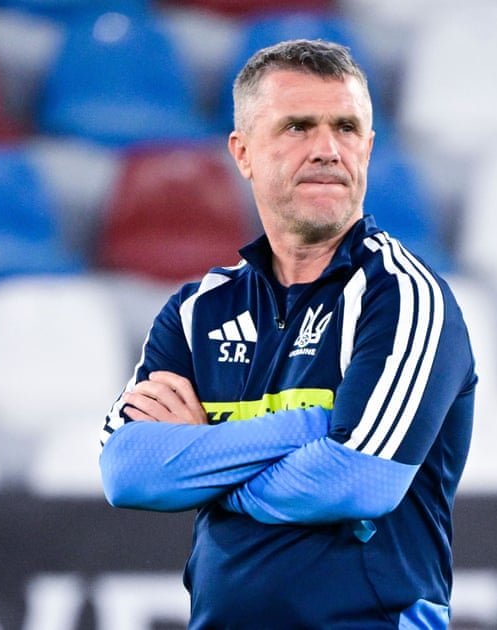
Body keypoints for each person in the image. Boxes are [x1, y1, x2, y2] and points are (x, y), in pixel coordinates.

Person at [98, 39, 476, 629]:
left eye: (346, 128)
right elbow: (127, 470)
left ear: (368, 147)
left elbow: (357, 480)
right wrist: (309, 429)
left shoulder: (402, 295)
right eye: (298, 127)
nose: (327, 149)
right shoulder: (198, 310)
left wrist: (207, 466)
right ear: (243, 152)